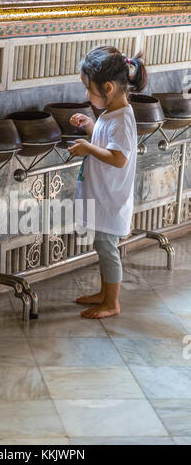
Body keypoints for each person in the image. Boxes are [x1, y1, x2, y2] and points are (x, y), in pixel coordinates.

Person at [68, 46, 147, 319]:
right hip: (103, 195)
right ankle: (104, 293)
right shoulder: (111, 114)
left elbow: (118, 158)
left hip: (111, 199)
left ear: (109, 87)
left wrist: (87, 148)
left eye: (89, 89)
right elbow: (107, 140)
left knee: (107, 249)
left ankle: (112, 303)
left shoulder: (122, 119)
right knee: (102, 247)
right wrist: (90, 126)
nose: (86, 95)